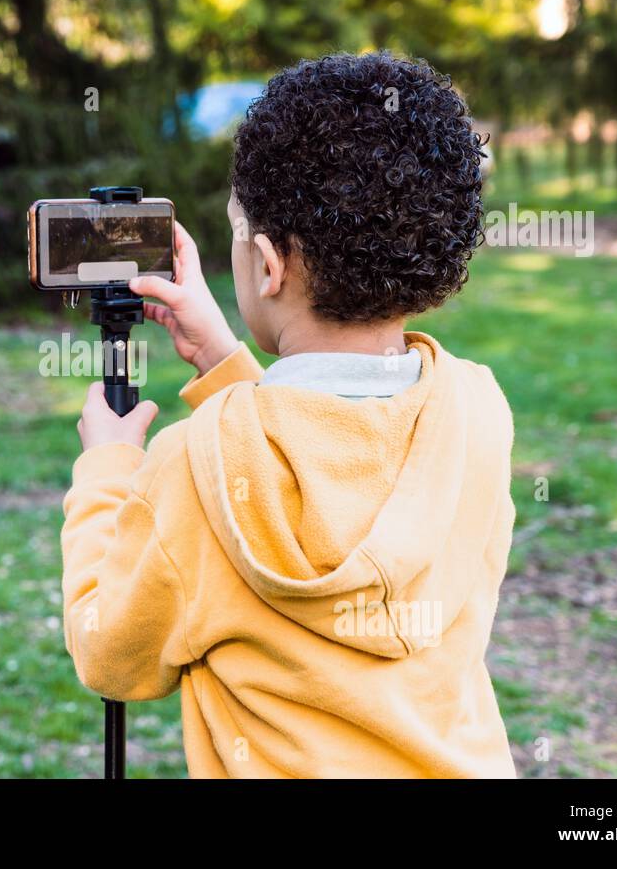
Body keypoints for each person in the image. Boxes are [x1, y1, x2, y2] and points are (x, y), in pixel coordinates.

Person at [61, 51, 516, 777]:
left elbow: (112, 654)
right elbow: (332, 454)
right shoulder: (476, 414)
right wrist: (225, 365)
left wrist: (107, 471)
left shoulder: (193, 470)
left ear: (268, 266)